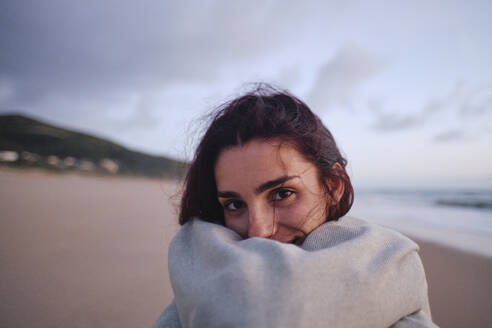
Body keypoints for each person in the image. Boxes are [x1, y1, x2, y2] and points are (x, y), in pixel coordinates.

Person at [153, 85, 437, 328]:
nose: (258, 230)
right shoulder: (201, 286)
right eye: (235, 204)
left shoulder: (390, 261)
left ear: (333, 186)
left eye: (282, 194)